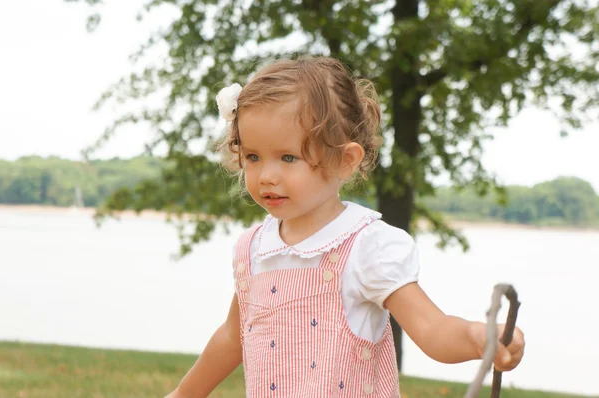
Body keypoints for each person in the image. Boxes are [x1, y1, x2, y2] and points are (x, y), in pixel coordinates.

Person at [165, 56, 525, 398]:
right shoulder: (254, 248)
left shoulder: (366, 247)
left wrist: (478, 337)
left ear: (345, 160)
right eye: (254, 157)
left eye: (289, 157)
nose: (267, 176)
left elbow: (431, 329)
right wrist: (184, 393)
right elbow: (233, 336)